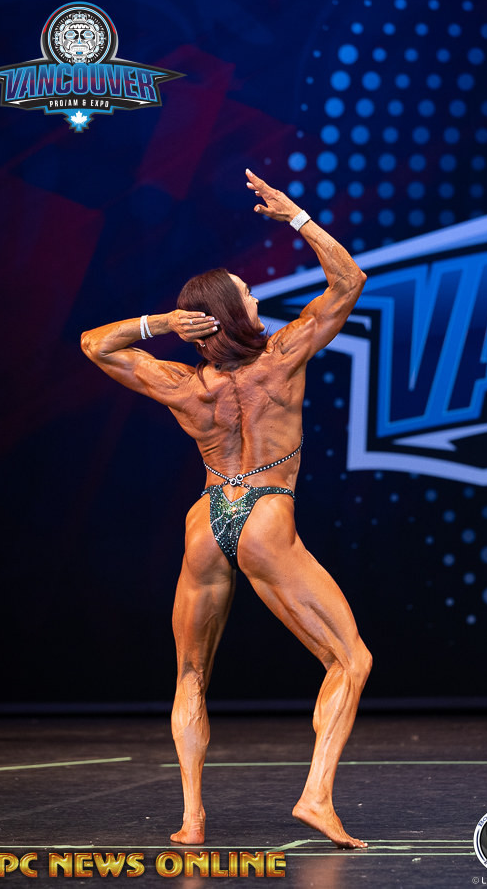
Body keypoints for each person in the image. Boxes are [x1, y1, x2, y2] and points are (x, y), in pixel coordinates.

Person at [81, 169, 372, 849]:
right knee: (350, 660)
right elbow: (348, 281)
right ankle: (316, 798)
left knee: (190, 673)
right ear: (231, 315)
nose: (256, 297)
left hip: (207, 519)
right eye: (247, 294)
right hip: (265, 515)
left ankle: (192, 820)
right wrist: (296, 216)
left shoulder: (185, 384)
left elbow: (96, 343)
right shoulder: (281, 358)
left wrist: (158, 324)